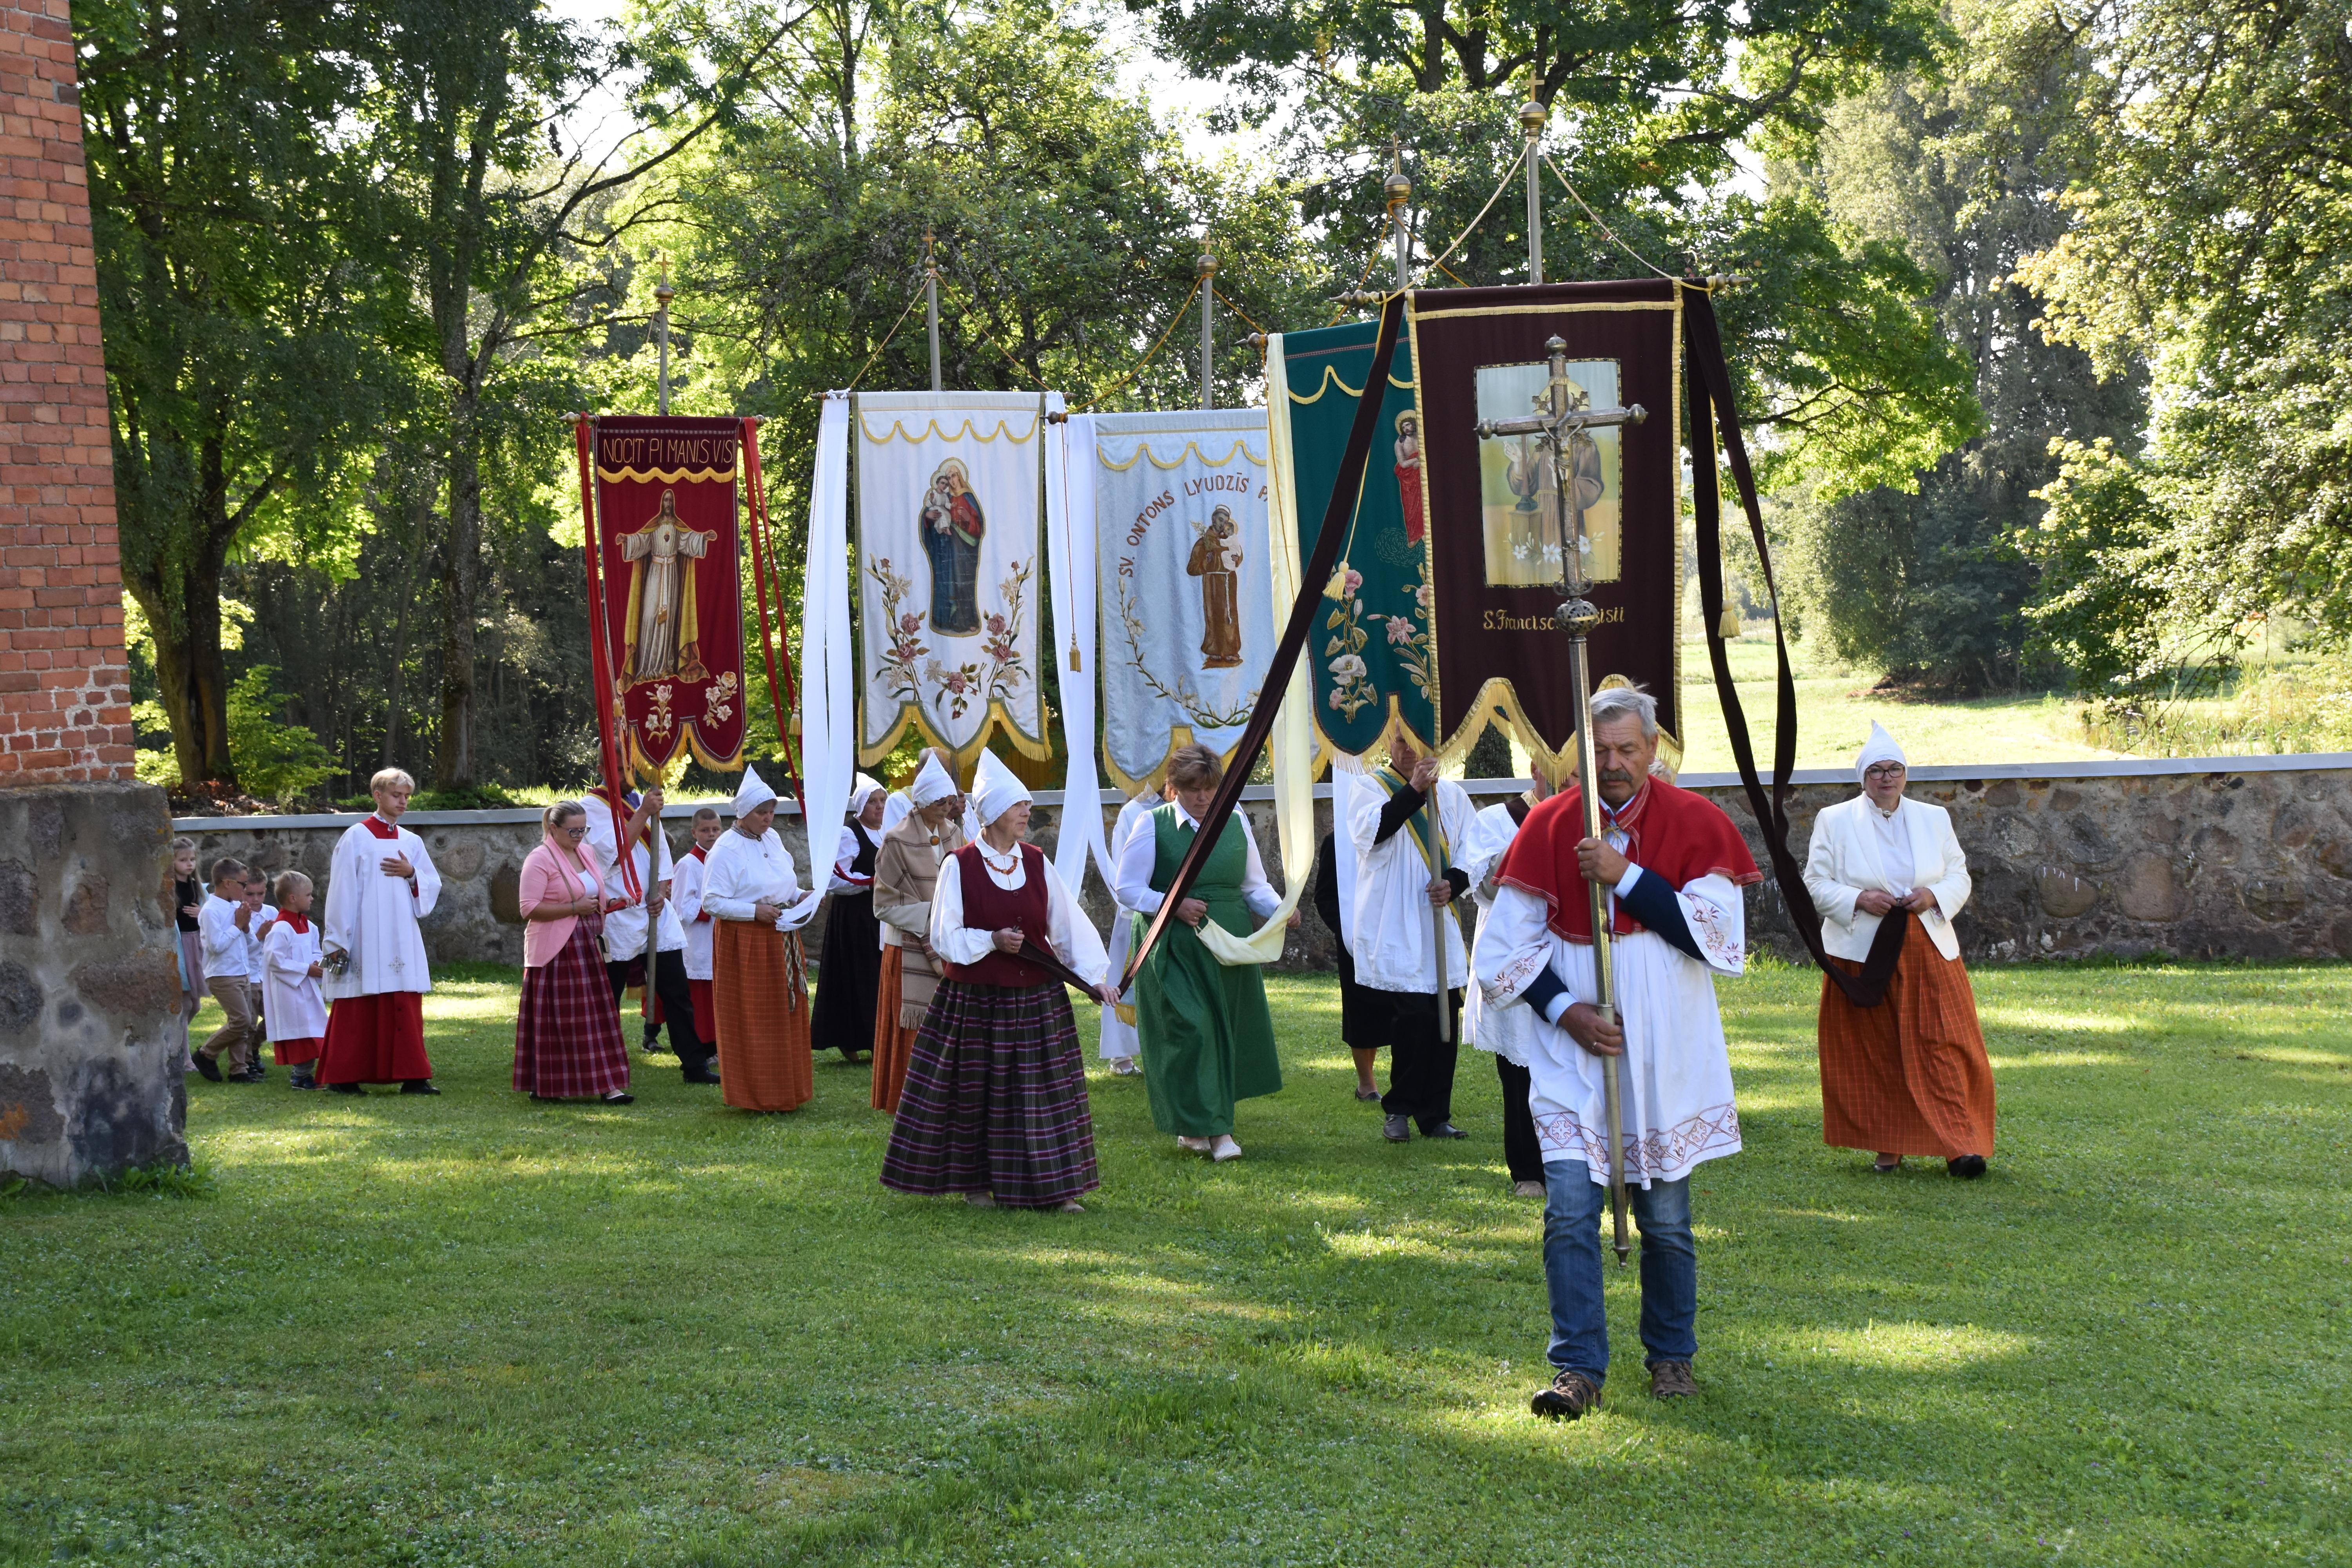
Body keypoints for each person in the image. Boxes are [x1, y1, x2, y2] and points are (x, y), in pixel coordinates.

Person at [1469, 685, 1759, 1417]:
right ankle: (1577, 1369)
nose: (1615, 763)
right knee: (1568, 1209)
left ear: (1653, 749)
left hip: (1664, 1052)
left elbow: (1716, 938)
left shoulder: (1697, 822)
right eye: (1600, 752)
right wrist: (1566, 1013)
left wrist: (1623, 875)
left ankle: (1671, 1358)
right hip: (1575, 1055)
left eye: (1628, 749)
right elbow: (1503, 950)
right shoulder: (1549, 824)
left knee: (1665, 1218)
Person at [881, 751, 1115, 1211]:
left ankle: (1056, 1188)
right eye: (1016, 806)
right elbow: (944, 936)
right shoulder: (960, 865)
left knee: (1044, 1096)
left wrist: (1096, 979)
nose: (1026, 813)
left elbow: (1065, 925)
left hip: (1036, 1000)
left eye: (1027, 805)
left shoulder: (1035, 861)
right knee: (976, 1096)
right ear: (990, 815)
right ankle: (975, 1186)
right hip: (976, 999)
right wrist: (990, 939)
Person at [1804, 722, 1993, 1179]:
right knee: (1877, 1047)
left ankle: (1960, 1144)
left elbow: (1959, 876)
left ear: (1906, 775)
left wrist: (1933, 897)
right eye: (1877, 771)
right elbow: (1816, 882)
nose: (1887, 778)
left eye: (1895, 769)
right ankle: (1889, 1147)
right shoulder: (1834, 820)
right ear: (1863, 777)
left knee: (1946, 1041)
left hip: (1926, 943)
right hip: (1863, 952)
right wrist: (1858, 899)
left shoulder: (1934, 818)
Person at [1117, 744, 1289, 1160]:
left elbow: (1253, 885)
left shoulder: (1235, 820)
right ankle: (1219, 1134)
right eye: (1193, 789)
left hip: (1226, 943)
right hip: (1173, 945)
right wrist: (1173, 905)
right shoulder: (1150, 825)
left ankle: (1201, 1125)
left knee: (1223, 1029)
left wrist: (1281, 909)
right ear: (1173, 787)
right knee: (1193, 1031)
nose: (1203, 798)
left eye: (1210, 788)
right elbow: (1127, 888)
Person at [1347, 732, 1475, 1143]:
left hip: (1439, 920)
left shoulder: (1453, 796)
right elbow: (1373, 833)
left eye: (1415, 741)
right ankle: (1400, 1109)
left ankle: (1436, 1113)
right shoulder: (1369, 787)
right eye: (1399, 741)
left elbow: (1476, 851)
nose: (1407, 749)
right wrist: (1415, 790)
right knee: (1412, 1019)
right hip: (1397, 920)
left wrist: (1454, 882)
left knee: (1445, 1021)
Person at [1459, 768, 1556, 1197]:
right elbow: (1487, 885)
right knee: (1519, 1072)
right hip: (1512, 957)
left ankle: (1574, 1163)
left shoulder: (1590, 816)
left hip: (1567, 953)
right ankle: (1528, 1170)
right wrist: (1537, 825)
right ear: (1536, 768)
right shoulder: (1497, 819)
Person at [700, 766, 820, 1112]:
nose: (768, 818)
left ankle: (788, 1089)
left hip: (781, 932)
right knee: (755, 1016)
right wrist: (754, 912)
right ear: (744, 813)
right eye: (761, 812)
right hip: (746, 940)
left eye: (771, 811)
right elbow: (712, 901)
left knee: (787, 1009)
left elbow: (779, 881)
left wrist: (800, 895)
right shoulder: (725, 850)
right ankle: (758, 1094)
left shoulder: (773, 839)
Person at [318, 768, 443, 1096]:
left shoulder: (411, 841)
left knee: (404, 1000)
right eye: (395, 795)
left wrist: (412, 873)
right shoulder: (356, 837)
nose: (402, 802)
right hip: (364, 936)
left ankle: (414, 1076)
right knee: (357, 1003)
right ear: (378, 796)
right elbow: (341, 890)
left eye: (406, 797)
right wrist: (336, 942)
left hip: (402, 934)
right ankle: (344, 1077)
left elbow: (431, 885)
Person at [584, 782, 719, 1085]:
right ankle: (605, 1065)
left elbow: (658, 851)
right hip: (619, 915)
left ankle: (694, 1066)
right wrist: (644, 811)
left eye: (629, 765)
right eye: (619, 767)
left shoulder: (638, 800)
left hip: (655, 913)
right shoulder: (594, 805)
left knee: (677, 992)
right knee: (609, 996)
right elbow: (614, 855)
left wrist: (660, 891)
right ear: (602, 769)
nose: (626, 774)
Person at [514, 802, 635, 1104]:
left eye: (584, 829)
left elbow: (591, 896)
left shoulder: (587, 853)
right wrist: (573, 909)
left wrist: (615, 901)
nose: (579, 836)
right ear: (553, 829)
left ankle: (609, 1086)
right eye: (573, 830)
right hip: (555, 950)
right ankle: (546, 1085)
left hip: (587, 945)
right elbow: (528, 908)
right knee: (561, 1021)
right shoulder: (539, 859)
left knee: (596, 1018)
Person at [870, 753, 966, 1112]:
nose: (947, 808)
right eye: (940, 803)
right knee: (911, 1026)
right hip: (908, 946)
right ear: (923, 802)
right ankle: (907, 1098)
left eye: (950, 802)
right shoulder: (895, 841)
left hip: (949, 944)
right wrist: (936, 915)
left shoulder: (955, 833)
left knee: (947, 1022)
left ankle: (945, 1097)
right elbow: (884, 905)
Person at [811, 774, 887, 1063]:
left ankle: (875, 1037)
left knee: (879, 976)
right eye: (873, 802)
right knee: (857, 977)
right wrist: (870, 882)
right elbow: (834, 879)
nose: (879, 807)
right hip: (854, 918)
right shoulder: (849, 834)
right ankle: (850, 1038)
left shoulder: (885, 833)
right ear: (861, 807)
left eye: (882, 801)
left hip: (878, 915)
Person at [1096, 782, 1170, 1078]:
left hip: (1177, 911)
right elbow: (1124, 867)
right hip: (1139, 912)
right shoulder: (1135, 811)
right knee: (1126, 983)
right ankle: (1121, 1053)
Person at [1311, 822, 1387, 1102]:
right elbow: (1325, 896)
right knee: (1361, 1011)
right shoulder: (1337, 841)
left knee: (1396, 1010)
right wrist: (1349, 932)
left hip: (1395, 936)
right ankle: (1367, 1085)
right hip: (1354, 942)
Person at [192, 857, 260, 1083]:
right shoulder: (211, 911)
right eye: (243, 884)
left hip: (241, 971)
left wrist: (247, 927)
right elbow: (216, 946)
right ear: (227, 883)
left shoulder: (234, 907)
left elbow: (249, 945)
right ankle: (206, 1054)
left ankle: (238, 1070)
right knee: (240, 1020)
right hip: (222, 974)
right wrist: (237, 926)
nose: (246, 889)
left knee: (247, 1022)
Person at [261, 872, 327, 1090]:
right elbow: (274, 960)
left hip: (306, 987)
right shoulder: (281, 928)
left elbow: (315, 949)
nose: (312, 899)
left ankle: (305, 1075)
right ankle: (301, 1076)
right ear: (292, 898)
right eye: (308, 895)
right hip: (289, 991)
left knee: (315, 1030)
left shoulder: (308, 925)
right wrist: (306, 969)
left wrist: (317, 961)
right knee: (303, 1035)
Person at [670, 807, 724, 1063]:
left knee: (719, 993)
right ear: (694, 833)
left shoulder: (724, 858)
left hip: (721, 936)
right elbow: (681, 907)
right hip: (699, 940)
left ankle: (721, 1042)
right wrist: (716, 906)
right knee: (701, 997)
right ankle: (704, 1045)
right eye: (705, 830)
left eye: (715, 830)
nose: (711, 835)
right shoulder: (688, 864)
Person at [166, 837, 203, 1074]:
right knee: (187, 1003)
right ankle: (185, 1058)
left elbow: (208, 911)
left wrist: (203, 912)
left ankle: (172, 1043)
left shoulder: (197, 887)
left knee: (196, 1005)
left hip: (195, 944)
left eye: (192, 860)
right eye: (183, 860)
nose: (189, 864)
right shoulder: (170, 888)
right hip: (181, 946)